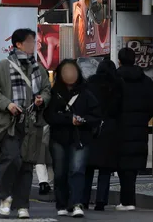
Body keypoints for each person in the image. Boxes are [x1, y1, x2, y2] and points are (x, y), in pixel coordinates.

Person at [0, 28, 52, 219]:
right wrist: (8, 104)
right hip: (9, 123)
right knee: (11, 159)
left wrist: (42, 100)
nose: (33, 45)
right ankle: (5, 196)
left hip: (32, 124)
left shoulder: (39, 69)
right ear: (19, 44)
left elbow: (47, 90)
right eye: (30, 42)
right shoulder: (3, 67)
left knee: (27, 166)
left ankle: (23, 205)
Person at [44, 60, 101, 218]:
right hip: (59, 138)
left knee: (77, 171)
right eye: (66, 72)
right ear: (60, 75)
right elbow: (49, 116)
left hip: (80, 138)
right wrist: (69, 119)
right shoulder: (54, 93)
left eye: (72, 71)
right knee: (60, 172)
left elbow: (96, 116)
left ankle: (76, 203)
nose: (70, 75)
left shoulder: (86, 93)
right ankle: (61, 203)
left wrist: (82, 120)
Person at [116, 48, 153, 211]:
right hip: (139, 128)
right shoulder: (145, 80)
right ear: (135, 60)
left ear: (119, 61)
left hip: (119, 128)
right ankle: (129, 200)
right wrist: (143, 117)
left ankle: (125, 201)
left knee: (122, 164)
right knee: (133, 166)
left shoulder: (115, 79)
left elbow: (109, 103)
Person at [83, 59, 124, 210]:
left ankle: (84, 200)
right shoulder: (117, 85)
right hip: (109, 128)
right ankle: (101, 201)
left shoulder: (89, 83)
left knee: (87, 168)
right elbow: (119, 108)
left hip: (91, 127)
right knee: (105, 169)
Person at [35, 125, 53, 195]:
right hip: (50, 124)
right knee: (51, 157)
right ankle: (49, 182)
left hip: (38, 125)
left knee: (39, 156)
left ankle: (43, 182)